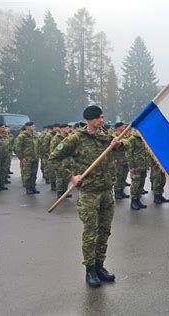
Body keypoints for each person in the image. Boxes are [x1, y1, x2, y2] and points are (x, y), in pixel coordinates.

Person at [49, 105, 121, 288]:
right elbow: (54, 158)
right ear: (90, 119)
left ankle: (100, 266)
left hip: (107, 191)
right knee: (91, 233)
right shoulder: (76, 138)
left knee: (104, 231)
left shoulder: (105, 136)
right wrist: (71, 176)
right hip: (89, 193)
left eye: (103, 117)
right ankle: (90, 270)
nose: (102, 120)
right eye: (99, 117)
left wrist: (118, 145)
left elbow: (122, 147)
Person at [123, 129, 149, 210]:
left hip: (143, 165)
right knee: (135, 184)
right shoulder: (132, 139)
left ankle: (138, 200)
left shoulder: (144, 139)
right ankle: (133, 201)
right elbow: (128, 153)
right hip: (136, 166)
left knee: (141, 184)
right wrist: (131, 166)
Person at [14, 122, 40, 194]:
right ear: (27, 127)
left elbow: (38, 145)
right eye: (32, 126)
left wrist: (38, 155)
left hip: (35, 158)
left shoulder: (35, 135)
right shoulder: (22, 136)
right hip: (27, 158)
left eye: (34, 126)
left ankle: (33, 187)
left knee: (34, 174)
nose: (34, 127)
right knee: (27, 174)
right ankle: (28, 188)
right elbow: (18, 147)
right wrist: (21, 158)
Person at [50, 124, 73, 198]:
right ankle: (60, 192)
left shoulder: (69, 137)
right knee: (60, 177)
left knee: (67, 176)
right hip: (60, 161)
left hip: (68, 160)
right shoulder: (56, 138)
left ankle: (65, 191)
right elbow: (52, 150)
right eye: (67, 128)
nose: (68, 129)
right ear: (62, 129)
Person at [113, 122, 130, 200]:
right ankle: (117, 192)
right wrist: (114, 159)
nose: (124, 127)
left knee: (124, 176)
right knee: (118, 177)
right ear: (118, 127)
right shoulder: (114, 136)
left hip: (125, 160)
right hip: (118, 160)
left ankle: (121, 190)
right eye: (123, 126)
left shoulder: (125, 135)